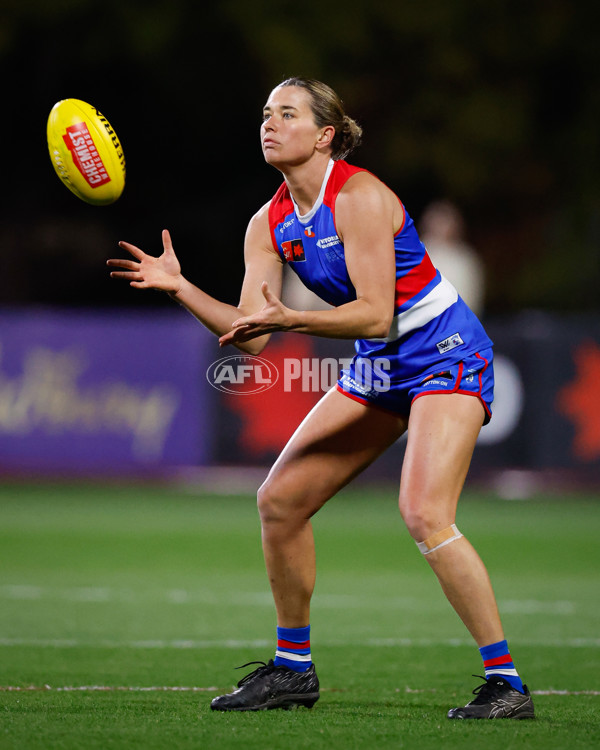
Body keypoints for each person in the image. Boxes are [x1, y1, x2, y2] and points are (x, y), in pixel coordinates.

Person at [107, 77, 534, 720]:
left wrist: (292, 321)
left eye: (287, 114)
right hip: (380, 365)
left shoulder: (360, 196)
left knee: (424, 512)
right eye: (264, 114)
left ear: (324, 135)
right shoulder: (268, 222)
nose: (269, 124)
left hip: (444, 353)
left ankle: (507, 684)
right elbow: (251, 337)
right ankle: (292, 670)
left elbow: (370, 314)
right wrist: (180, 286)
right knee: (278, 502)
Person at [419, 199, 486, 317]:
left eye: (444, 221)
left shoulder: (465, 259)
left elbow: (471, 299)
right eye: (436, 220)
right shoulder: (417, 253)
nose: (439, 226)